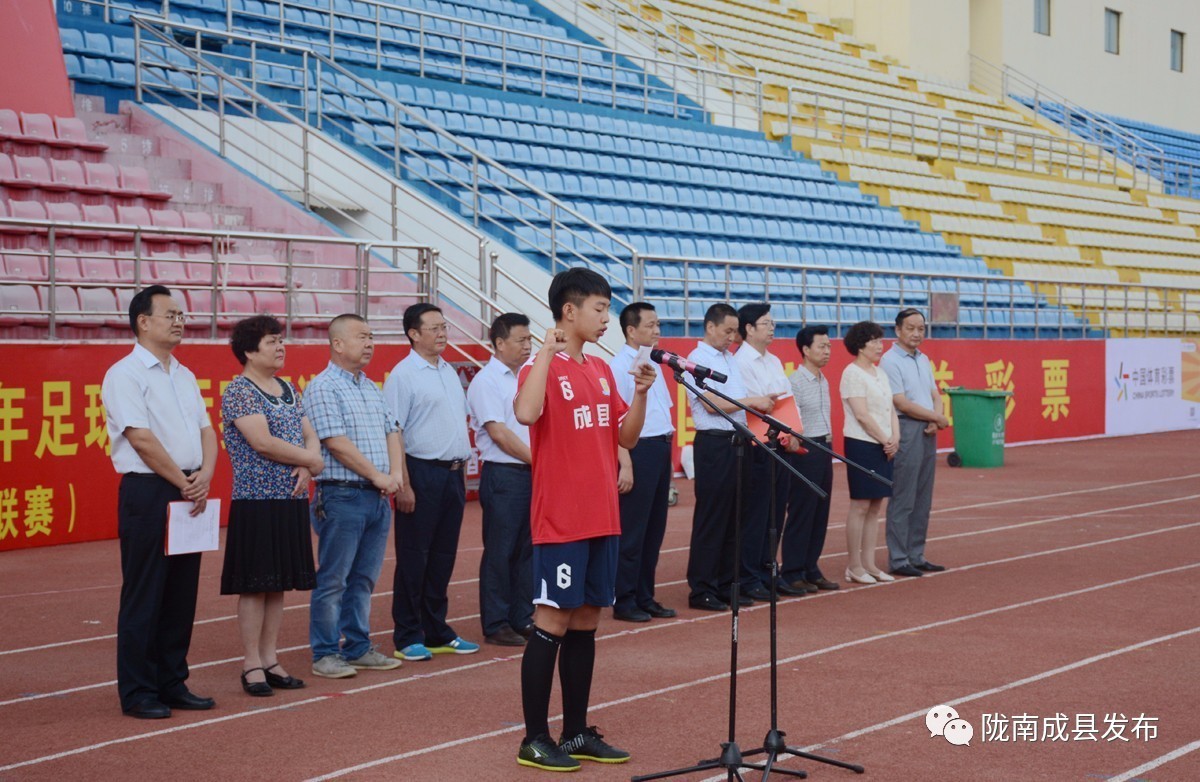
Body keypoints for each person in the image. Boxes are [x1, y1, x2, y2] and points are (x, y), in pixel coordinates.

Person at [512, 268, 656, 771]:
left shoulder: (598, 368)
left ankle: (575, 733)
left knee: (588, 619)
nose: (606, 318)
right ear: (568, 311)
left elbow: (627, 439)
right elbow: (527, 415)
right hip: (562, 518)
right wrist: (547, 352)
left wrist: (640, 393)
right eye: (599, 308)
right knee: (551, 619)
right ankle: (534, 737)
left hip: (603, 515)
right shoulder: (540, 364)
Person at [101, 284, 217, 719]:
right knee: (145, 592)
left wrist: (204, 474)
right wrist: (184, 482)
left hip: (188, 486)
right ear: (143, 322)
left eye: (181, 314)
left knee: (180, 594)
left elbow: (207, 430)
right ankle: (138, 691)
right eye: (169, 314)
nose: (179, 321)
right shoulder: (124, 374)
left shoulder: (183, 374)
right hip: (149, 490)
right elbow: (140, 438)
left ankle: (172, 682)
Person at [220, 315, 323, 697]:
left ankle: (270, 658)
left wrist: (309, 460)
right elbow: (262, 442)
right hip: (256, 501)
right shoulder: (240, 391)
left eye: (281, 341)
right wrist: (310, 461)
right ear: (249, 351)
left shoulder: (287, 387)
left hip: (289, 499)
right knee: (254, 585)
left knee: (277, 584)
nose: (280, 348)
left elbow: (309, 432)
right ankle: (251, 664)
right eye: (271, 342)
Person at [305, 314, 404, 679]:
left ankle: (358, 647)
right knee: (334, 578)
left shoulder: (370, 387)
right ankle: (326, 652)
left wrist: (394, 475)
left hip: (376, 498)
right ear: (337, 343)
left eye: (372, 336)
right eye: (361, 336)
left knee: (363, 578)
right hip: (343, 496)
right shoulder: (323, 387)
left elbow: (392, 430)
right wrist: (380, 475)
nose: (369, 343)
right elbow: (335, 442)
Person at [384, 303, 480, 661]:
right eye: (435, 328)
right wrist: (403, 484)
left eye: (445, 327)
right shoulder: (403, 376)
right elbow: (394, 431)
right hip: (420, 473)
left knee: (442, 556)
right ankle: (408, 634)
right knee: (414, 556)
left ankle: (436, 629)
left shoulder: (447, 371)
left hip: (453, 475)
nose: (443, 333)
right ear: (413, 333)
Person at [685, 303, 777, 612]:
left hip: (737, 441)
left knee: (735, 517)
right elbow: (712, 403)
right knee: (713, 517)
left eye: (733, 332)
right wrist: (754, 401)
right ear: (710, 327)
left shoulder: (728, 358)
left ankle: (726, 583)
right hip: (713, 443)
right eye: (726, 331)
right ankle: (702, 587)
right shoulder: (697, 359)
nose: (731, 337)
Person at [467, 312, 535, 647]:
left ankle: (521, 617)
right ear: (499, 343)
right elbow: (499, 434)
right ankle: (496, 622)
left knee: (528, 549)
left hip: (531, 474)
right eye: (521, 340)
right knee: (501, 550)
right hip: (506, 475)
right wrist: (540, 460)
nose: (528, 345)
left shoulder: (529, 376)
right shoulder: (487, 381)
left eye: (529, 339)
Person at [609, 302, 677, 623]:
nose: (657, 331)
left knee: (654, 529)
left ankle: (645, 595)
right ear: (631, 330)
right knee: (633, 530)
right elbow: (615, 421)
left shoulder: (655, 362)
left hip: (661, 447)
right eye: (650, 325)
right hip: (639, 450)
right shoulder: (618, 366)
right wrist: (626, 462)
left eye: (658, 324)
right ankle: (624, 599)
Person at [734, 303, 807, 600]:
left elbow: (786, 401)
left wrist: (793, 435)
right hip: (758, 445)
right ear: (749, 328)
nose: (772, 327)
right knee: (758, 514)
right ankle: (750, 576)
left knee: (777, 513)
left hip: (781, 444)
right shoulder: (741, 362)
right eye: (766, 322)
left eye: (773, 322)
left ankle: (768, 572)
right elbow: (756, 405)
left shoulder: (774, 361)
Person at [880, 308, 949, 577]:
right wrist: (935, 417)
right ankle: (898, 558)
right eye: (910, 328)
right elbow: (900, 402)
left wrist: (935, 417)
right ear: (898, 330)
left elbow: (934, 392)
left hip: (928, 428)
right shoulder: (890, 361)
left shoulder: (923, 358)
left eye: (921, 328)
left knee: (923, 496)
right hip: (906, 427)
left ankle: (916, 553)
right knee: (904, 496)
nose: (916, 333)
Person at [780, 325, 840, 594]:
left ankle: (811, 567)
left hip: (825, 447)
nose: (827, 351)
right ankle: (792, 570)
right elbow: (793, 419)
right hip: (805, 449)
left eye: (829, 346)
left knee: (820, 511)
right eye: (821, 346)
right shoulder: (796, 381)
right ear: (805, 350)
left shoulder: (822, 379)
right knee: (802, 511)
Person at [839, 320, 900, 585]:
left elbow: (890, 409)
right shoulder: (852, 373)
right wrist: (885, 438)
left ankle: (870, 564)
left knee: (876, 506)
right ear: (860, 345)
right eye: (874, 341)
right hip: (862, 444)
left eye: (880, 340)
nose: (880, 346)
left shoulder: (880, 373)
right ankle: (854, 565)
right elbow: (861, 415)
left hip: (885, 444)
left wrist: (895, 437)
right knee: (861, 504)